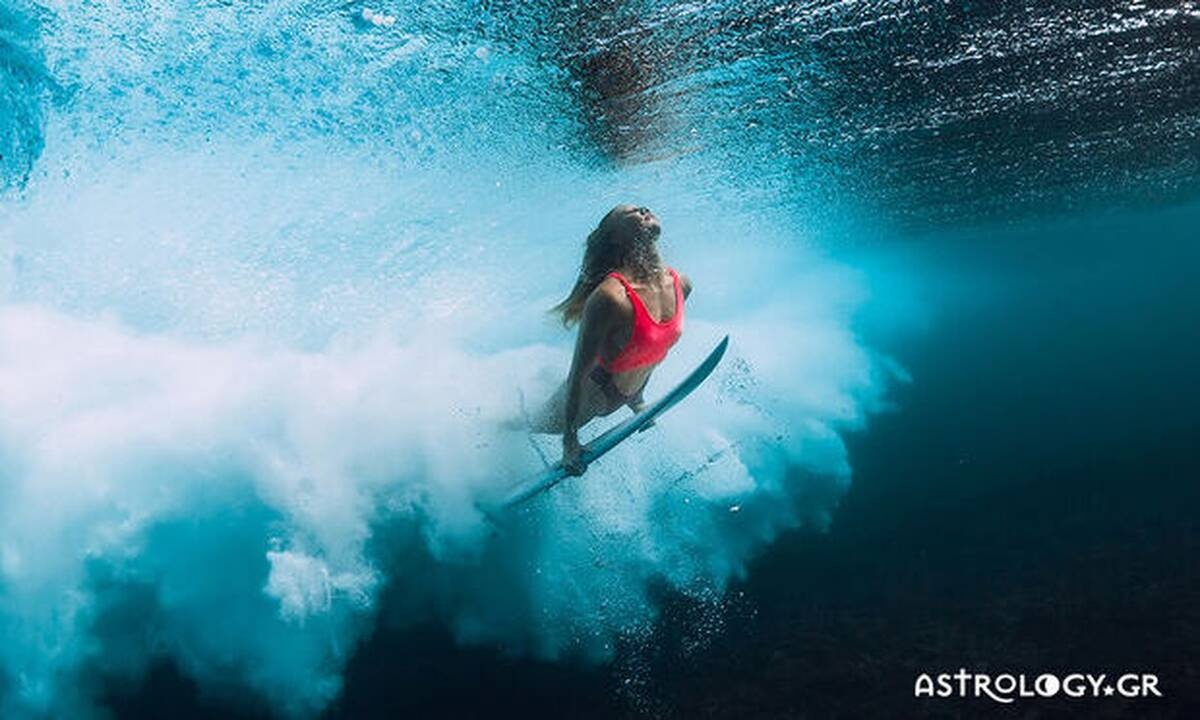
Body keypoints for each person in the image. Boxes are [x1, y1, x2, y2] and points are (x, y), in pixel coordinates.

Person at [533, 204, 692, 476]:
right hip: (589, 397)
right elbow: (577, 376)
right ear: (616, 237)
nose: (644, 209)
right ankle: (485, 424)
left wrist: (637, 399)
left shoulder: (681, 284)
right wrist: (570, 442)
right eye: (631, 212)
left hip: (627, 393)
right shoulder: (610, 297)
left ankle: (634, 398)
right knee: (530, 422)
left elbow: (653, 348)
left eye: (645, 207)